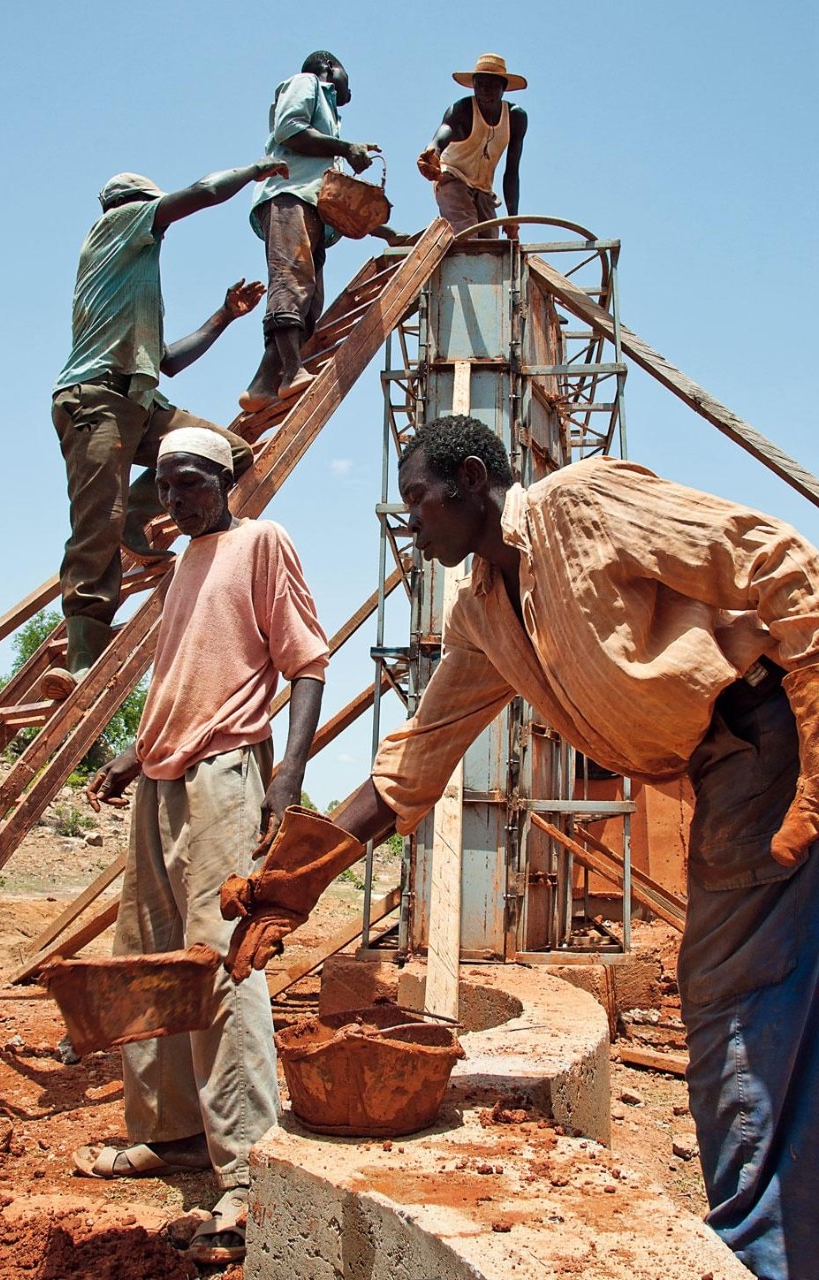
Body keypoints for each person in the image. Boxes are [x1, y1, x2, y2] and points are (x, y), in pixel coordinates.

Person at [234, 415, 819, 1280]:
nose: (412, 524)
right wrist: (298, 879)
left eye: (419, 501)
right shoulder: (481, 617)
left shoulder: (584, 504)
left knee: (732, 997)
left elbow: (777, 558)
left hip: (768, 737)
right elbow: (413, 765)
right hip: (724, 762)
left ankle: (757, 1255)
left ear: (472, 481)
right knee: (778, 991)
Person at [75, 425, 329, 1267]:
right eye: (165, 485)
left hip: (226, 776)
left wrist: (288, 773)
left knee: (224, 962)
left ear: (226, 480)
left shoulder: (262, 541)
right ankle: (171, 1132)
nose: (176, 499)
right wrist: (131, 754)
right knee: (146, 960)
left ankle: (247, 1172)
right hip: (160, 775)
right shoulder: (184, 562)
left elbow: (307, 664)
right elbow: (187, 675)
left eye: (190, 483)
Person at [43, 157, 288, 702]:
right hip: (96, 402)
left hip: (140, 402)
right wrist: (254, 171)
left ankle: (137, 514)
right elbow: (200, 191)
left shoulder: (131, 281)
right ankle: (85, 657)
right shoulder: (116, 228)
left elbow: (168, 361)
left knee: (229, 453)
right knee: (94, 526)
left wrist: (224, 315)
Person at [239, 50, 382, 414]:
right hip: (289, 198)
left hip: (312, 209)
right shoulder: (307, 83)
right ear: (331, 68)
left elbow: (334, 190)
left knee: (309, 301)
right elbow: (289, 130)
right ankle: (290, 373)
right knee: (292, 281)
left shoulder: (330, 119)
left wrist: (385, 230)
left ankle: (260, 385)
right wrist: (345, 148)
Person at [417, 52, 528, 239]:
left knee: (492, 247)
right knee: (468, 238)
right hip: (452, 178)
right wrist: (432, 153)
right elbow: (443, 134)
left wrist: (512, 218)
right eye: (480, 85)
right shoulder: (463, 110)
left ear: (503, 87)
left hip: (484, 190)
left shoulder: (515, 117)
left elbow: (511, 172)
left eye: (491, 86)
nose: (484, 91)